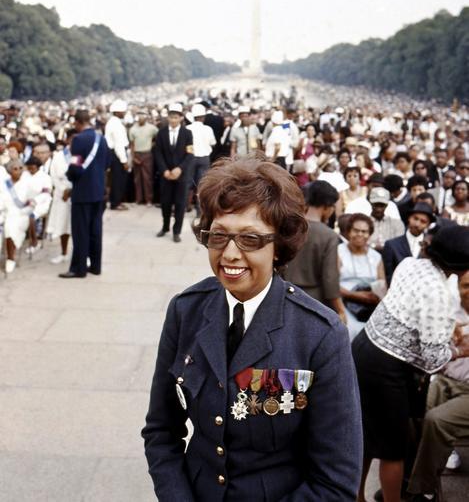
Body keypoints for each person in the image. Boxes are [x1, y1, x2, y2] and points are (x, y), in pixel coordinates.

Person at [142, 156, 363, 501]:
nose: (230, 253)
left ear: (279, 247)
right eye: (219, 236)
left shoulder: (319, 334)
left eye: (250, 239)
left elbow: (335, 480)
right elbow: (160, 431)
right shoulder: (187, 311)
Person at [352, 225, 469, 502]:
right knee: (394, 448)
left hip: (364, 348)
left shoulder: (410, 264)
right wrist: (460, 351)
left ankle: (355, 498)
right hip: (387, 368)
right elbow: (432, 359)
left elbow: (409, 310)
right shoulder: (439, 294)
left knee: (365, 439)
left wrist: (445, 328)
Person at [406, 269, 469, 499]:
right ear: (458, 289)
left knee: (436, 420)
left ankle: (422, 491)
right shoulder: (451, 314)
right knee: (413, 414)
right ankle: (406, 478)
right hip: (446, 380)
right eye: (465, 286)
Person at [283, 180, 346, 321]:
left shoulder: (288, 228)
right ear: (327, 207)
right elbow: (330, 278)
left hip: (284, 293)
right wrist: (340, 310)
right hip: (314, 299)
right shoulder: (328, 235)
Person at [59, 109, 109, 278]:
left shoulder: (79, 140)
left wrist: (69, 176)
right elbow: (107, 163)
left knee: (80, 231)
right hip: (98, 191)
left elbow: (75, 166)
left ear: (77, 122)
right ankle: (95, 266)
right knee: (96, 230)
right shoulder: (101, 138)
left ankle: (78, 268)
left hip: (82, 192)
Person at [338, 213, 385, 340]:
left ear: (369, 234)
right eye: (356, 230)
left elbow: (382, 285)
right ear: (348, 232)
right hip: (343, 304)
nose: (360, 234)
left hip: (369, 306)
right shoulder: (338, 252)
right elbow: (331, 283)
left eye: (364, 231)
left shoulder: (376, 257)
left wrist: (375, 297)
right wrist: (353, 295)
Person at [154, 103, 194, 242]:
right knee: (165, 202)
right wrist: (164, 170)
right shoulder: (162, 133)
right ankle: (165, 227)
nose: (173, 120)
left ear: (181, 118)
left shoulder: (187, 133)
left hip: (181, 175)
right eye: (171, 117)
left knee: (180, 203)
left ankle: (177, 231)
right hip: (165, 175)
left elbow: (189, 154)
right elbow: (158, 153)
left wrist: (179, 169)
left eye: (176, 117)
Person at [382, 202, 435, 285]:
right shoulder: (392, 245)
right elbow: (388, 276)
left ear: (428, 225)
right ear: (409, 218)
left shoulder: (431, 245)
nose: (417, 224)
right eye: (415, 218)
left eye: (423, 221)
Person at [48, 131, 73, 263]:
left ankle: (82, 255)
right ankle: (63, 253)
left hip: (75, 194)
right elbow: (53, 175)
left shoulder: (79, 155)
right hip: (61, 194)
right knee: (63, 225)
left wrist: (71, 190)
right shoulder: (58, 156)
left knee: (77, 226)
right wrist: (63, 190)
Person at [187, 103, 216, 216]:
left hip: (190, 158)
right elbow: (213, 144)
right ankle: (199, 211)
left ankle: (186, 206)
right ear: (203, 117)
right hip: (204, 158)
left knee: (188, 183)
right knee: (201, 185)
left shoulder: (187, 128)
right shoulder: (208, 129)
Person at [129, 110, 157, 206]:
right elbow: (132, 145)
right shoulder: (133, 129)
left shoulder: (152, 128)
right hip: (137, 153)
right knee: (137, 178)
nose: (141, 119)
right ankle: (139, 199)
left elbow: (157, 138)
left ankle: (148, 199)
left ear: (146, 118)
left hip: (147, 154)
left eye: (143, 117)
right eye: (139, 117)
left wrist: (152, 145)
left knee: (147, 178)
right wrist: (133, 157)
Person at [105, 98, 129, 210]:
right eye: (123, 111)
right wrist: (124, 160)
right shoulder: (116, 124)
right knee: (118, 179)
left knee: (117, 179)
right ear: (118, 112)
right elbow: (118, 145)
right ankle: (115, 202)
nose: (124, 113)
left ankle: (117, 200)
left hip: (115, 153)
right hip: (116, 154)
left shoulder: (114, 122)